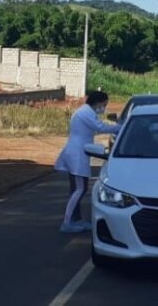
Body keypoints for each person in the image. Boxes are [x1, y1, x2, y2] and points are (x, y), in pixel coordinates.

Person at [54, 91, 120, 233]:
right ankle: (67, 222)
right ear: (98, 102)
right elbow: (100, 127)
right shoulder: (86, 113)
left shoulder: (86, 112)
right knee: (80, 188)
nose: (104, 108)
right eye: (104, 104)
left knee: (76, 189)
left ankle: (76, 219)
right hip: (77, 154)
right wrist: (120, 128)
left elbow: (95, 129)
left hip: (77, 152)